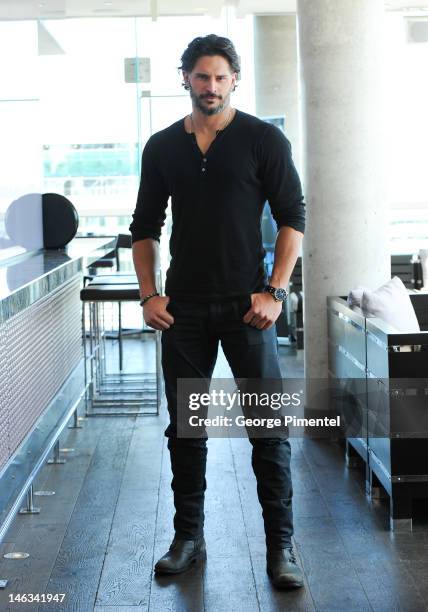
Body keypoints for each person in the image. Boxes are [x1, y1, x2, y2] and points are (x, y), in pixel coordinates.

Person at [129, 34, 305, 590]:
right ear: (185, 78)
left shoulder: (262, 139)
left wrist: (275, 292)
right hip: (183, 312)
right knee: (186, 429)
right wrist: (149, 294)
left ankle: (281, 546)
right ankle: (188, 537)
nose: (210, 87)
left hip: (247, 308)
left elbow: (292, 218)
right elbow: (144, 227)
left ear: (235, 81)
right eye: (201, 77)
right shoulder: (161, 147)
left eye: (220, 77)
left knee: (267, 431)